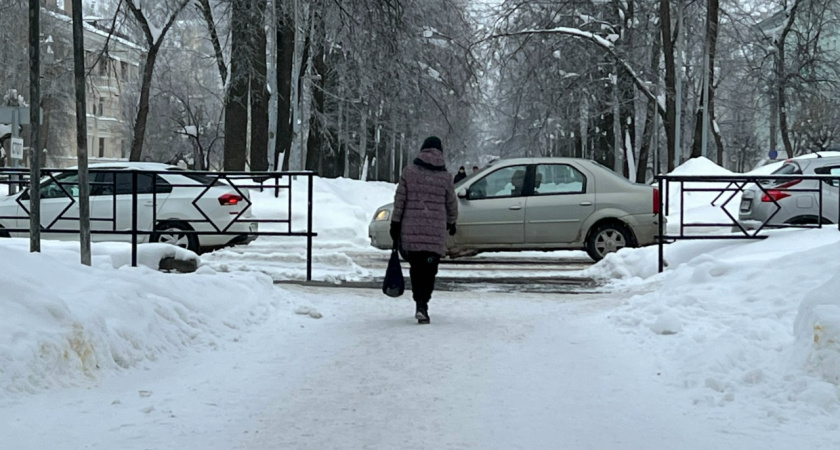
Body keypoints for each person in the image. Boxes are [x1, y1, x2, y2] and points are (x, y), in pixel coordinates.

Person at [390, 136, 458, 324]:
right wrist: (452, 222)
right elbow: (451, 202)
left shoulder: (409, 172)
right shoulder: (445, 177)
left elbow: (400, 200)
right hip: (435, 231)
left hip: (411, 230)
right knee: (429, 270)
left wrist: (395, 223)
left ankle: (419, 302)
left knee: (416, 267)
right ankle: (423, 303)